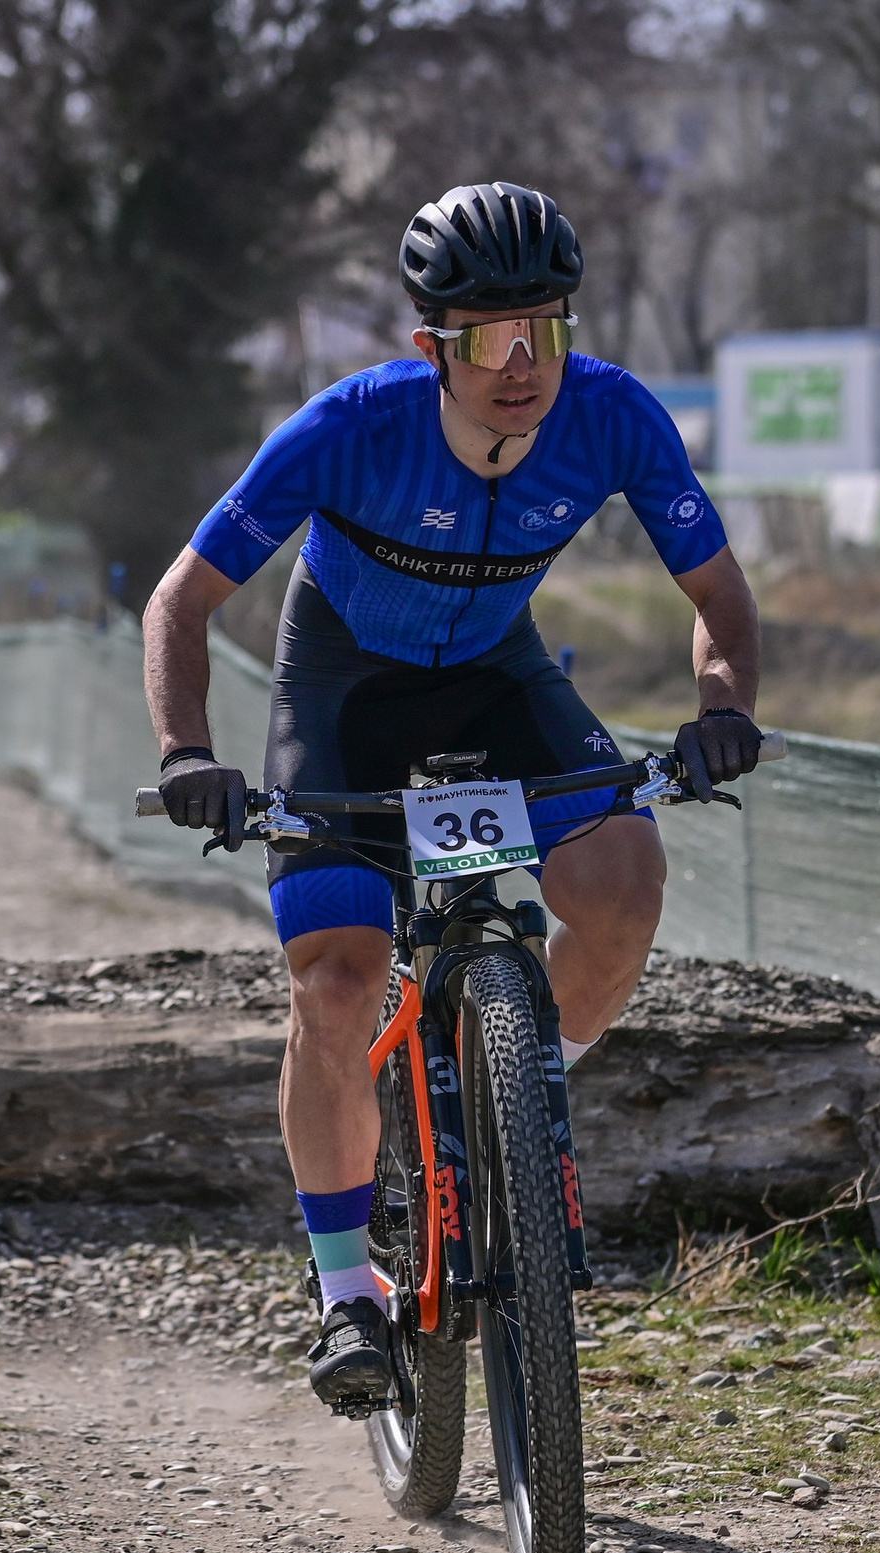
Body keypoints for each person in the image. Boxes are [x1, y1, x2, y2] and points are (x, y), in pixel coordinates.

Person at [140, 182, 762, 1412]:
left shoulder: (612, 415)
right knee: (336, 975)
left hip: (495, 675)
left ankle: (520, 1102)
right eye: (486, 339)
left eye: (546, 329)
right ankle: (343, 1293)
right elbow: (181, 602)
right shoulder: (345, 427)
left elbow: (719, 602)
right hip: (344, 688)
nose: (521, 363)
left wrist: (724, 710)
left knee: (622, 889)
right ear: (430, 346)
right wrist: (183, 752)